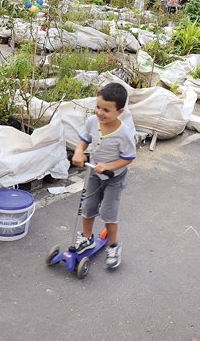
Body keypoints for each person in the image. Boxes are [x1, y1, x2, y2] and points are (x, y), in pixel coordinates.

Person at [71, 83, 137, 269]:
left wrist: (108, 166)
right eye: (98, 107)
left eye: (106, 110)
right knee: (88, 206)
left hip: (114, 178)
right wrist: (78, 151)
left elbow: (128, 157)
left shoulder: (124, 133)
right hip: (94, 173)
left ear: (120, 111)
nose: (100, 113)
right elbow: (84, 139)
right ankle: (87, 238)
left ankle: (113, 247)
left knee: (109, 213)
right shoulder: (93, 121)